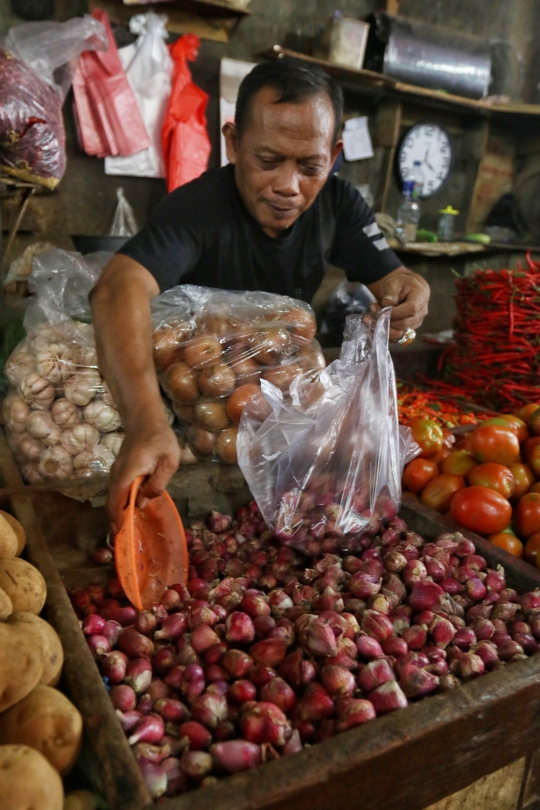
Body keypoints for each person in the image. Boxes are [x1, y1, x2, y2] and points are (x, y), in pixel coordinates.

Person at [91, 58, 430, 533]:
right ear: (232, 143)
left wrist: (409, 294)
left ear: (332, 156)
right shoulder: (198, 207)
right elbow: (116, 288)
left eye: (309, 166)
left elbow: (393, 278)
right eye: (267, 161)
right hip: (199, 418)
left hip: (282, 415)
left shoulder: (337, 204)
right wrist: (147, 424)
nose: (287, 187)